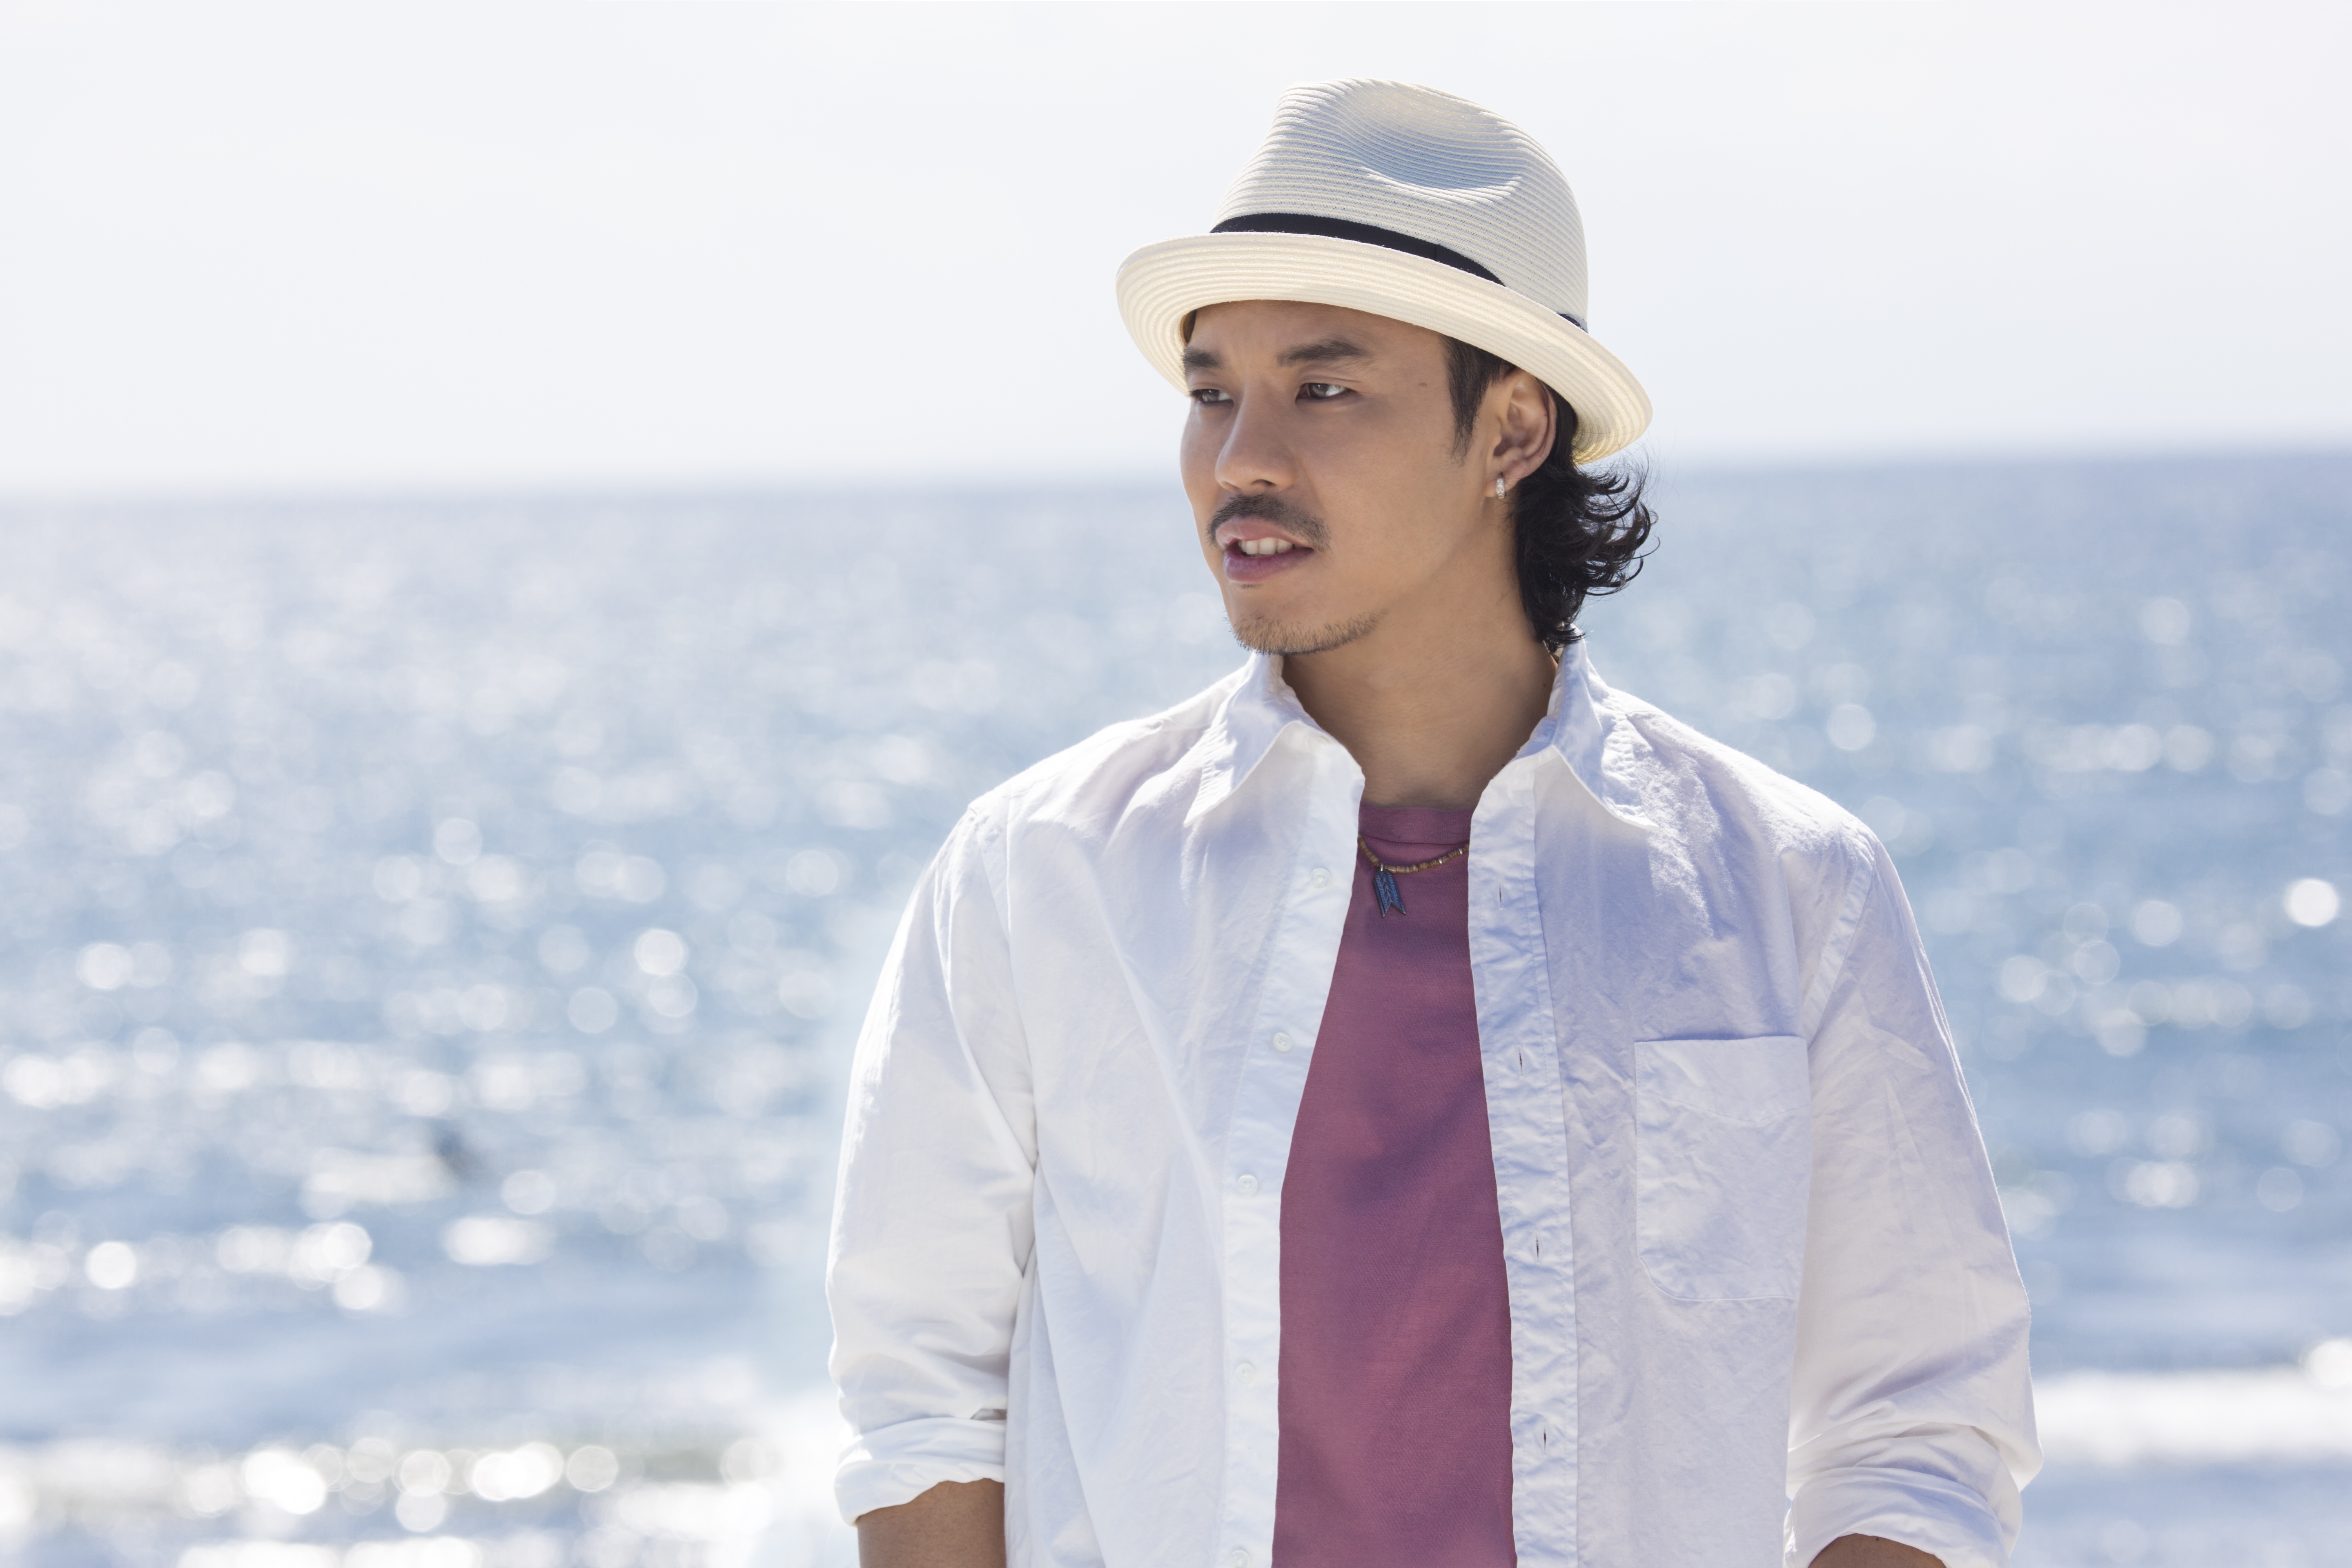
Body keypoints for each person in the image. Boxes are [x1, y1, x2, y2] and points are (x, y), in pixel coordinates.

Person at [827, 79, 2037, 1568]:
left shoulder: (1790, 889)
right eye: (1211, 394)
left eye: (1323, 390)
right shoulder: (1042, 873)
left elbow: (1918, 1430)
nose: (1241, 458)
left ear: (1512, 429)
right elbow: (923, 1399)